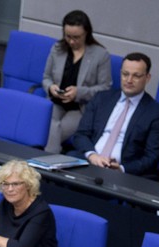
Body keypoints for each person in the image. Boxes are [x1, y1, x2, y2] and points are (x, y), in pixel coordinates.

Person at [70, 52, 159, 177]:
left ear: (147, 78)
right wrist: (93, 155)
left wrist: (122, 168)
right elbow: (81, 135)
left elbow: (152, 157)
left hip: (123, 173)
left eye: (136, 76)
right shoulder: (101, 99)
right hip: (90, 161)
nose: (129, 80)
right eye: (125, 74)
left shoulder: (157, 113)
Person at [42, 10, 112, 153]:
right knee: (48, 126)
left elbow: (105, 89)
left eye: (77, 37)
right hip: (56, 102)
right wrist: (51, 88)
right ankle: (48, 162)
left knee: (54, 130)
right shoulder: (57, 49)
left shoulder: (101, 55)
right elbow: (46, 77)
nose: (72, 41)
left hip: (81, 108)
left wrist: (79, 92)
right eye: (68, 36)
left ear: (87, 33)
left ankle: (44, 163)